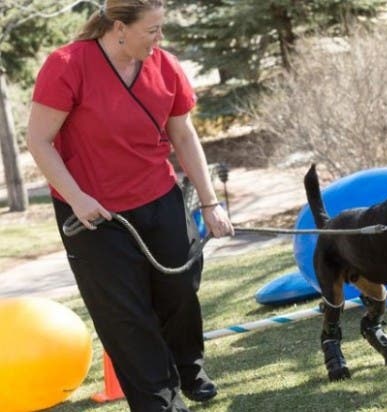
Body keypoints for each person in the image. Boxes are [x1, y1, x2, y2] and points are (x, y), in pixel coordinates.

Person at [26, 1, 234, 410]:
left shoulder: (165, 65)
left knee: (180, 288)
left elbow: (184, 136)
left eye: (162, 29)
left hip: (158, 196)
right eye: (152, 30)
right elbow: (39, 141)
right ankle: (159, 401)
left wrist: (210, 202)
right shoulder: (67, 64)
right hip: (92, 215)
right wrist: (77, 198)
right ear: (119, 27)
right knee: (125, 314)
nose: (160, 39)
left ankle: (188, 367)